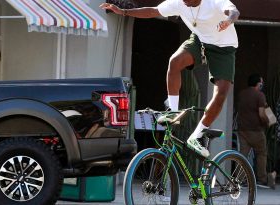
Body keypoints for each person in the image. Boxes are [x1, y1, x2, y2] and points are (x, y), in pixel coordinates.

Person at [100, 0, 240, 158]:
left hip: (224, 49)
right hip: (200, 41)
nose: (184, 2)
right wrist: (123, 12)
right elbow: (152, 11)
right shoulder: (179, 3)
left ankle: (198, 135)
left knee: (221, 94)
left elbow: (234, 11)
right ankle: (173, 112)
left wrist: (228, 21)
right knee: (175, 62)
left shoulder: (215, 2)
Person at [237, 74, 269, 187]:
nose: (262, 84)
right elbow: (262, 114)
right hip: (256, 130)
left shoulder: (242, 94)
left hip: (242, 129)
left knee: (243, 155)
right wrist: (267, 121)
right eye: (261, 82)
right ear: (258, 83)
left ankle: (239, 179)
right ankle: (262, 179)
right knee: (261, 154)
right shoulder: (260, 95)